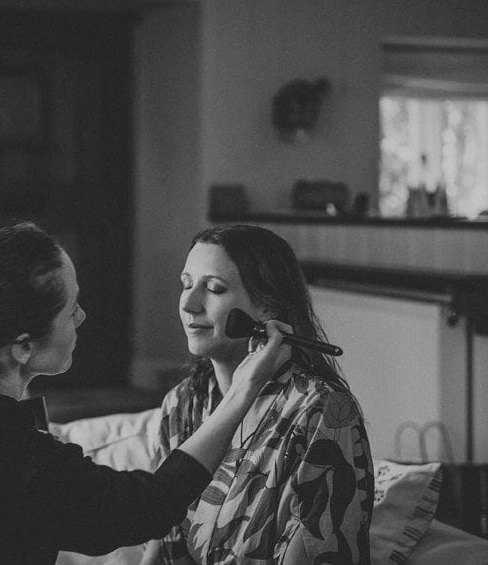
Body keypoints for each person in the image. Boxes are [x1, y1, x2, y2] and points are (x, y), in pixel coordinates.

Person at [0, 222, 293, 564]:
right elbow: (148, 506)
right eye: (70, 309)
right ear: (23, 346)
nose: (82, 318)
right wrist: (241, 393)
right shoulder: (14, 457)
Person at [141, 225, 374, 565]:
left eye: (214, 289)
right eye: (187, 284)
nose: (189, 305)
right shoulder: (180, 404)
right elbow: (160, 547)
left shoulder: (321, 411)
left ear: (267, 307)